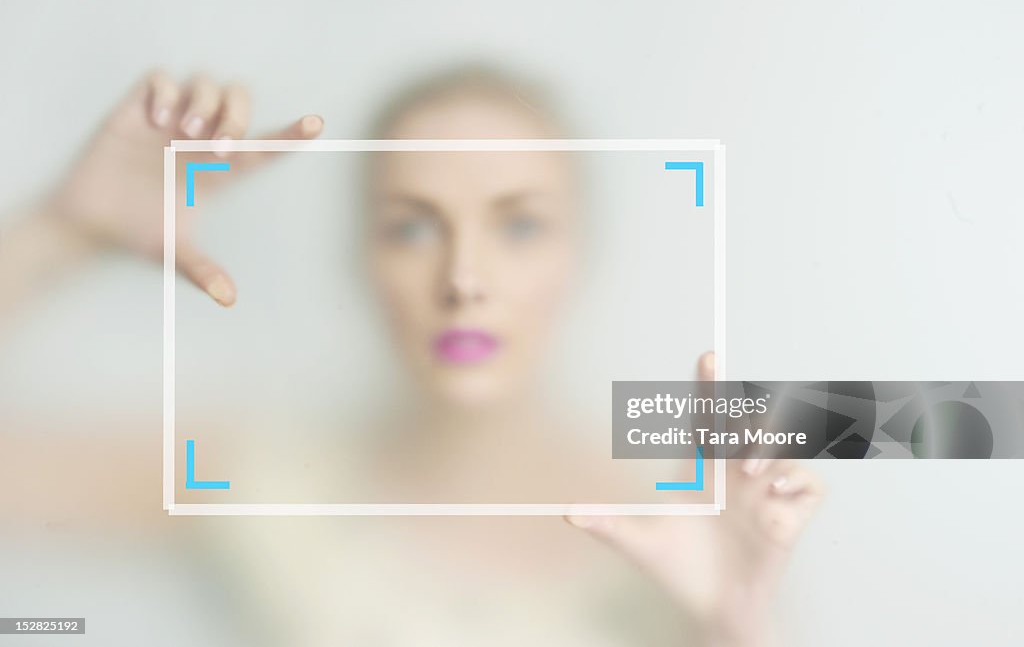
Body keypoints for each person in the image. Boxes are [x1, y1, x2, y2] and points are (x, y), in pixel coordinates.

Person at [0, 68, 824, 647]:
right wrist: (64, 233)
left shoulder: (690, 532)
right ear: (362, 260)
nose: (464, 278)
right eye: (413, 226)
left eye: (520, 224)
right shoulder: (255, 474)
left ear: (582, 254)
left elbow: (945, 416)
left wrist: (733, 631)